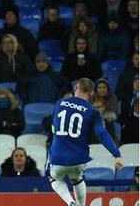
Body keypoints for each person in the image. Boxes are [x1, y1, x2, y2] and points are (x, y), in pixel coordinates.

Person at [48, 78, 123, 206]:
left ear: (76, 87)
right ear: (92, 93)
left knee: (54, 178)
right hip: (79, 158)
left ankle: (70, 202)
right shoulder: (93, 112)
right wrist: (117, 154)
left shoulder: (60, 103)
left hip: (58, 156)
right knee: (77, 179)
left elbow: (54, 128)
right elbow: (102, 134)